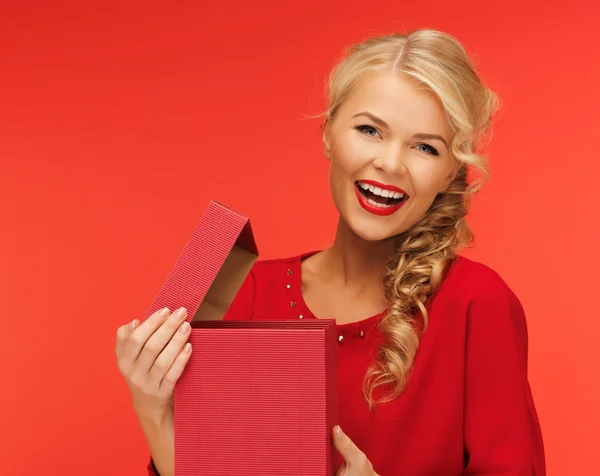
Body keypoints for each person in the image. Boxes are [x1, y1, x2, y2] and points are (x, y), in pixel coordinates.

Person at [116, 29, 546, 475]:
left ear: (449, 170)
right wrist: (152, 408)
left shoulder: (477, 304)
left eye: (424, 147)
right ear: (328, 134)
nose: (391, 163)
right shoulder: (246, 293)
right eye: (369, 130)